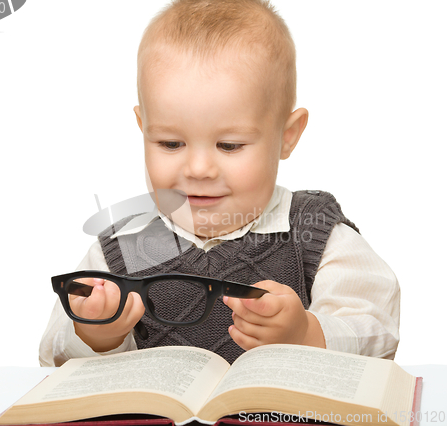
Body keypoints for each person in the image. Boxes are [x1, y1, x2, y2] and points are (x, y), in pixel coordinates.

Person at [39, 0, 399, 367]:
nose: (198, 168)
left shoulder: (314, 231)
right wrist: (96, 336)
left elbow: (377, 329)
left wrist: (307, 333)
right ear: (142, 128)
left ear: (287, 136)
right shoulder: (122, 247)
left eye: (229, 145)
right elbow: (52, 356)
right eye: (170, 143)